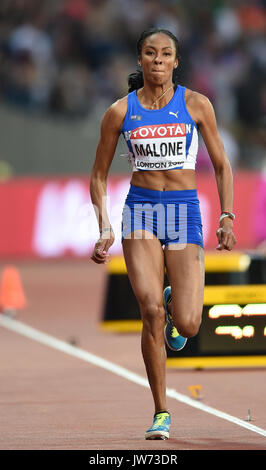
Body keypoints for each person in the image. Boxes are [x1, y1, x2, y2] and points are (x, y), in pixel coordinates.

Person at [90, 28, 236, 440]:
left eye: (166, 53)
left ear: (176, 61)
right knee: (150, 310)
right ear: (140, 60)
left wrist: (227, 215)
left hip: (183, 212)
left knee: (188, 326)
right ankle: (161, 411)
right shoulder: (120, 112)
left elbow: (223, 165)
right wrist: (104, 225)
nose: (158, 60)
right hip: (141, 213)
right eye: (150, 53)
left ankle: (175, 304)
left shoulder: (196, 104)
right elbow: (98, 175)